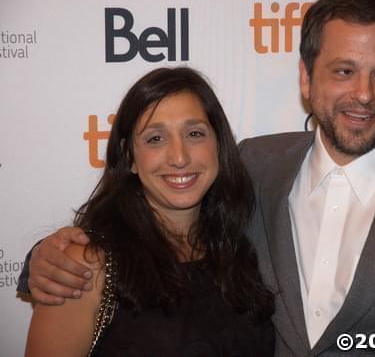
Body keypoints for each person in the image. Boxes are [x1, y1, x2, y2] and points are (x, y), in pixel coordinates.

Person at [20, 0, 375, 356]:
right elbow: (143, 238)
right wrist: (45, 260)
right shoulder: (257, 166)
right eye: (344, 71)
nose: (364, 94)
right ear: (307, 77)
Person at [23, 67, 275, 357]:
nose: (179, 157)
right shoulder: (86, 267)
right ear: (129, 156)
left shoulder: (239, 250)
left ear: (219, 144)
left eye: (194, 134)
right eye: (155, 139)